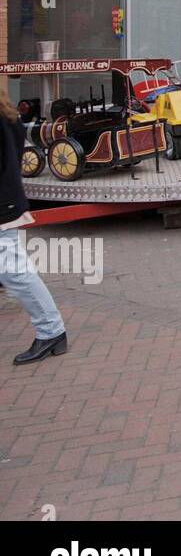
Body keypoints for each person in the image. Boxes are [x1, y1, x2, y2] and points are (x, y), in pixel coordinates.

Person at [1, 88, 69, 365]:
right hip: (8, 201)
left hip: (2, 207)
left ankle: (51, 331)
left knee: (16, 272)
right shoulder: (9, 114)